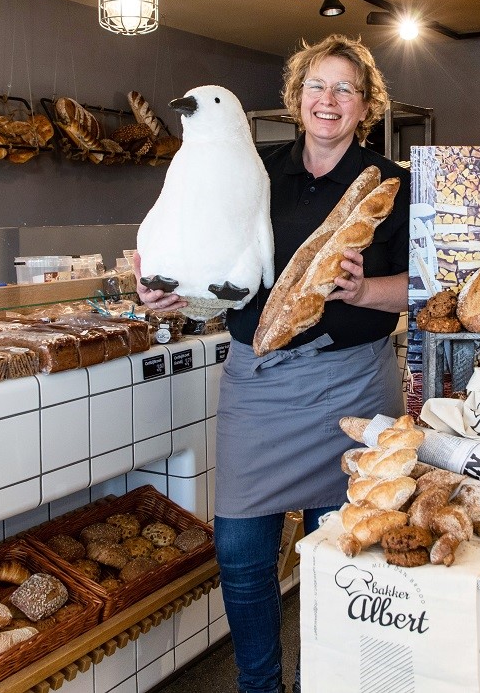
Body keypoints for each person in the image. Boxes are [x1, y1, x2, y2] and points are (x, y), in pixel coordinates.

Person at [136, 34, 410, 693]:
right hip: (258, 385)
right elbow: (202, 254)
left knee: (336, 556)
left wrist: (365, 290)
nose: (328, 99)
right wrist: (165, 290)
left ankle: (332, 680)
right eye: (317, 85)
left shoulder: (394, 182)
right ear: (295, 97)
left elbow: (438, 284)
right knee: (239, 550)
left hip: (352, 385)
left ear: (364, 104)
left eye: (345, 88)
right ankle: (260, 684)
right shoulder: (250, 169)